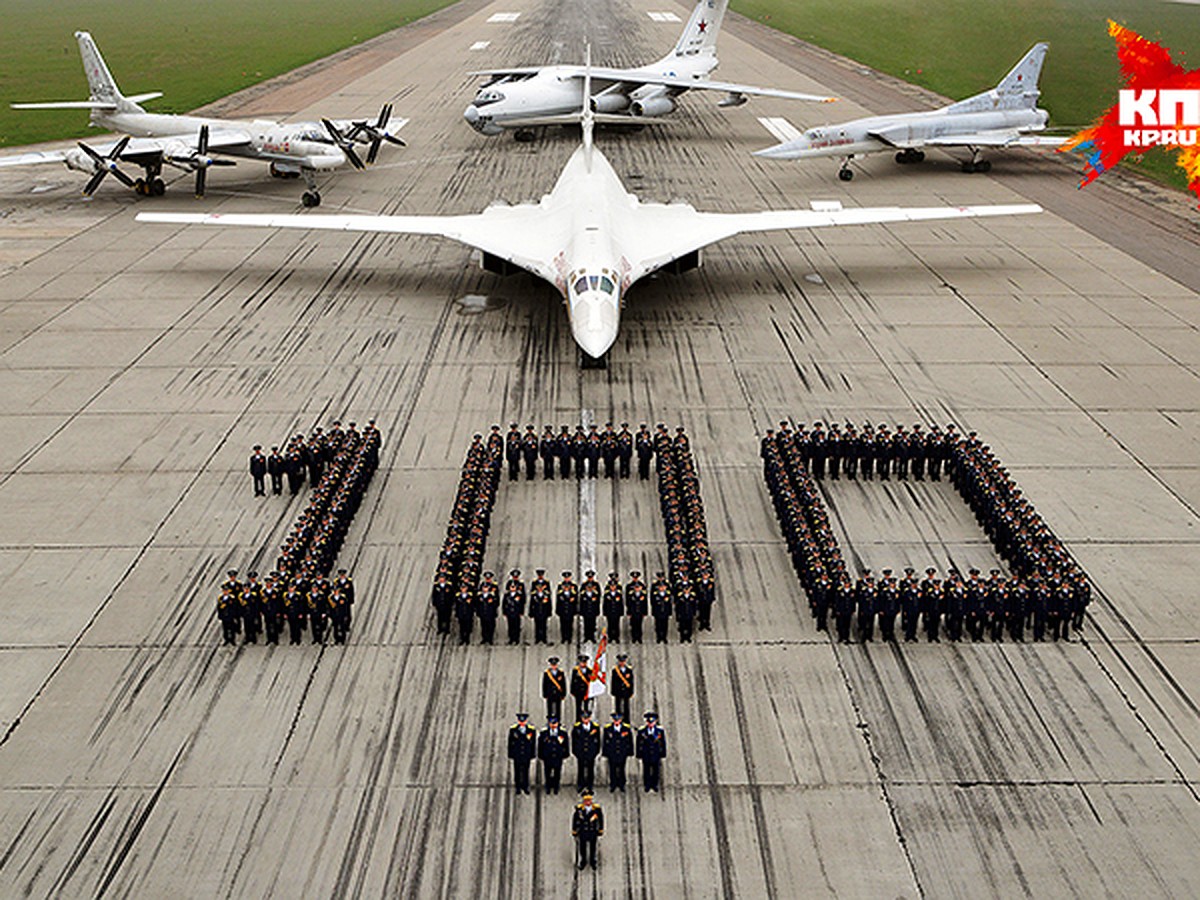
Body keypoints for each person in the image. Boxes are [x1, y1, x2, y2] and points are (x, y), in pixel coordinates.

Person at [602, 712, 634, 792]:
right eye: (615, 720)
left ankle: (621, 784)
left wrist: (630, 752)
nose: (616, 721)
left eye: (618, 720)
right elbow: (605, 741)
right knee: (612, 769)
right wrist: (605, 752)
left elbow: (629, 741)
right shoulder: (608, 728)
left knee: (621, 768)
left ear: (621, 720)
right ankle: (613, 784)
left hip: (622, 752)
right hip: (612, 752)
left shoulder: (626, 728)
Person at [635, 712, 667, 792]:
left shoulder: (660, 731)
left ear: (655, 722)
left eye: (652, 722)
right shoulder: (642, 731)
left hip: (656, 753)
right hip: (646, 753)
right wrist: (639, 753)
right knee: (646, 770)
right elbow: (638, 743)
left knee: (656, 770)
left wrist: (663, 753)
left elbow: (663, 742)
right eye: (649, 722)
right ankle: (647, 785)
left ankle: (654, 785)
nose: (650, 724)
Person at [539, 715, 570, 795]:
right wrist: (541, 755)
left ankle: (556, 787)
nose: (553, 725)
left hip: (558, 755)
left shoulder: (562, 733)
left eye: (555, 723)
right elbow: (540, 745)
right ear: (549, 723)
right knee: (547, 772)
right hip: (547, 756)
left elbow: (566, 744)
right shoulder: (544, 733)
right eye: (551, 723)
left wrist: (565, 754)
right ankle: (548, 787)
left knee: (557, 772)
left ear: (558, 723)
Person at [508, 712, 537, 795]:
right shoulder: (513, 730)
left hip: (526, 754)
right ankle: (518, 787)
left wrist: (532, 754)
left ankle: (525, 786)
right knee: (517, 771)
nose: (522, 722)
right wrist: (511, 754)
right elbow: (510, 743)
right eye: (520, 721)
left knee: (526, 771)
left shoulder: (531, 730)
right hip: (517, 754)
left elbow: (533, 743)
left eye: (523, 721)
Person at [572, 793, 604, 870]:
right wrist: (574, 830)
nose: (588, 802)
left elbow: (601, 819)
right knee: (582, 848)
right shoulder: (579, 809)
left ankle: (593, 861)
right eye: (586, 800)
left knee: (593, 848)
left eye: (589, 800)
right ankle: (583, 861)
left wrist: (600, 829)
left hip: (592, 831)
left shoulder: (596, 809)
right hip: (583, 832)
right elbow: (574, 820)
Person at [572, 711, 601, 793]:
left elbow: (598, 741)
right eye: (584, 718)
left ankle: (590, 785)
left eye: (587, 718)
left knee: (590, 769)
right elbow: (574, 741)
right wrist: (576, 752)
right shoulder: (577, 727)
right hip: (580, 752)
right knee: (580, 769)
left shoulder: (595, 727)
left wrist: (596, 751)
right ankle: (581, 785)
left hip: (591, 752)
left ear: (590, 718)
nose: (586, 720)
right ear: (581, 718)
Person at [529, 569, 552, 644]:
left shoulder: (546, 583)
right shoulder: (534, 583)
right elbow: (532, 598)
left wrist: (549, 610)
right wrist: (531, 611)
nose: (540, 576)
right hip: (536, 607)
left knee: (544, 625)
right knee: (537, 624)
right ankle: (537, 638)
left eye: (541, 575)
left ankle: (544, 638)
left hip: (544, 608)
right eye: (539, 575)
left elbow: (549, 597)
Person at [503, 568, 525, 644]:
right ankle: (511, 639)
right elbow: (504, 602)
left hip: (517, 610)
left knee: (517, 625)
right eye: (514, 576)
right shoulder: (509, 583)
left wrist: (522, 611)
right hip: (509, 610)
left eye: (516, 576)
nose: (515, 577)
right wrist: (504, 611)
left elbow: (523, 599)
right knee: (510, 626)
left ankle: (516, 639)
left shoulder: (521, 584)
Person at [610, 654, 634, 721]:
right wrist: (613, 691)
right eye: (620, 661)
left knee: (626, 707)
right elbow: (613, 681)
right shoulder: (615, 671)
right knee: (618, 707)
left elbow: (631, 681)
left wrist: (631, 691)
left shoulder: (629, 670)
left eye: (623, 661)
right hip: (618, 691)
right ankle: (618, 720)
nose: (622, 663)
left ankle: (626, 721)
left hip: (626, 691)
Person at [625, 571, 647, 643]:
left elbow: (645, 601)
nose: (635, 579)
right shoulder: (629, 586)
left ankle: (639, 637)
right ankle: (634, 637)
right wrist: (628, 611)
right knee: (633, 624)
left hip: (640, 610)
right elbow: (627, 600)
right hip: (633, 609)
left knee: (639, 624)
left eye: (636, 577)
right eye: (634, 577)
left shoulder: (642, 586)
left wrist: (645, 611)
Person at [579, 571, 601, 642]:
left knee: (593, 623)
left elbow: (599, 596)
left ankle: (592, 637)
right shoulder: (584, 585)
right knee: (586, 623)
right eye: (589, 577)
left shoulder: (596, 585)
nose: (590, 578)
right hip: (586, 608)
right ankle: (586, 637)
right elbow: (581, 597)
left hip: (593, 608)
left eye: (591, 577)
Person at [557, 572, 578, 644]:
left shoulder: (574, 586)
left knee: (570, 624)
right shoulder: (560, 586)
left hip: (570, 608)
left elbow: (576, 598)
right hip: (562, 608)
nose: (567, 579)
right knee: (563, 624)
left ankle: (569, 638)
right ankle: (563, 638)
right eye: (565, 578)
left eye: (568, 577)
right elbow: (558, 598)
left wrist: (576, 609)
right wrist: (558, 610)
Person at [602, 573, 623, 642]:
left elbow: (621, 603)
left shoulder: (619, 593)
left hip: (616, 611)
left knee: (616, 625)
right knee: (610, 625)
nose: (613, 587)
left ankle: (616, 637)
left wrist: (621, 612)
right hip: (609, 611)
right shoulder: (607, 593)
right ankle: (610, 637)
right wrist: (604, 612)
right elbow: (604, 603)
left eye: (614, 586)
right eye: (611, 586)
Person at [570, 654, 591, 721]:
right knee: (578, 708)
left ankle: (586, 721)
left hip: (587, 692)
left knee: (586, 708)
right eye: (581, 662)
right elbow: (573, 681)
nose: (583, 663)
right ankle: (578, 721)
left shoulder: (590, 671)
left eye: (584, 662)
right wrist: (572, 691)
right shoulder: (575, 671)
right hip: (578, 692)